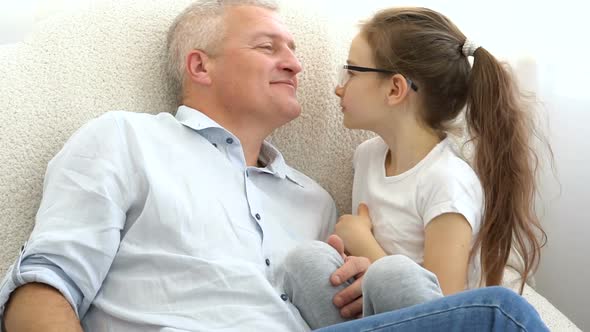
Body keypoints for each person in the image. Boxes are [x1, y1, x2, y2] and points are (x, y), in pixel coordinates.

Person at [0, 1, 549, 331]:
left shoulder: (314, 200)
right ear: (201, 66)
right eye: (268, 47)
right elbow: (47, 284)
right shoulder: (124, 139)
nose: (295, 62)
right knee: (500, 317)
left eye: (293, 48)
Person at [283, 6, 549, 330]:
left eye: (351, 72)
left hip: (434, 321)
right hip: (375, 315)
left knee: (391, 275)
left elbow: (448, 310)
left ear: (395, 89)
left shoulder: (447, 182)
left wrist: (362, 243)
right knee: (305, 261)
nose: (339, 87)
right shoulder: (366, 157)